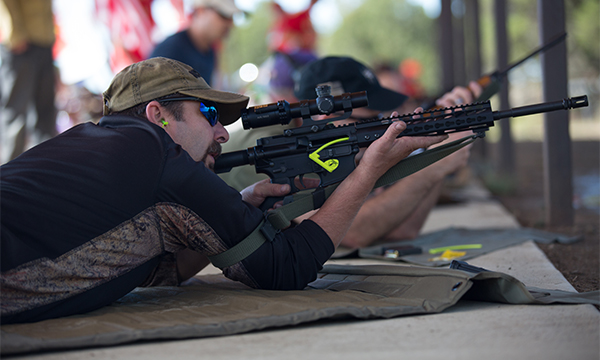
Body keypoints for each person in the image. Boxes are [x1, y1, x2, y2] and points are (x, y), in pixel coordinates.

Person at [0, 57, 446, 324]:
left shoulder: (95, 143)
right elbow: (284, 269)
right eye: (208, 112)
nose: (221, 132)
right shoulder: (158, 156)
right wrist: (369, 171)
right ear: (158, 115)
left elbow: (149, 270)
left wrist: (233, 208)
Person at [220, 56, 482, 249]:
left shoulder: (324, 146)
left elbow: (401, 228)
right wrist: (433, 167)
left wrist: (435, 149)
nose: (383, 125)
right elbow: (352, 234)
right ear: (327, 115)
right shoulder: (280, 147)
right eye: (371, 119)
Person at [0, 0, 57, 164]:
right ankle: (10, 177)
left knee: (45, 112)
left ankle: (43, 168)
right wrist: (15, 34)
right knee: (16, 115)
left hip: (44, 39)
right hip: (21, 44)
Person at [148, 0, 239, 86]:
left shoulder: (209, 52)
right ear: (200, 11)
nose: (230, 24)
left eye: (232, 18)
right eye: (224, 15)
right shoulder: (170, 52)